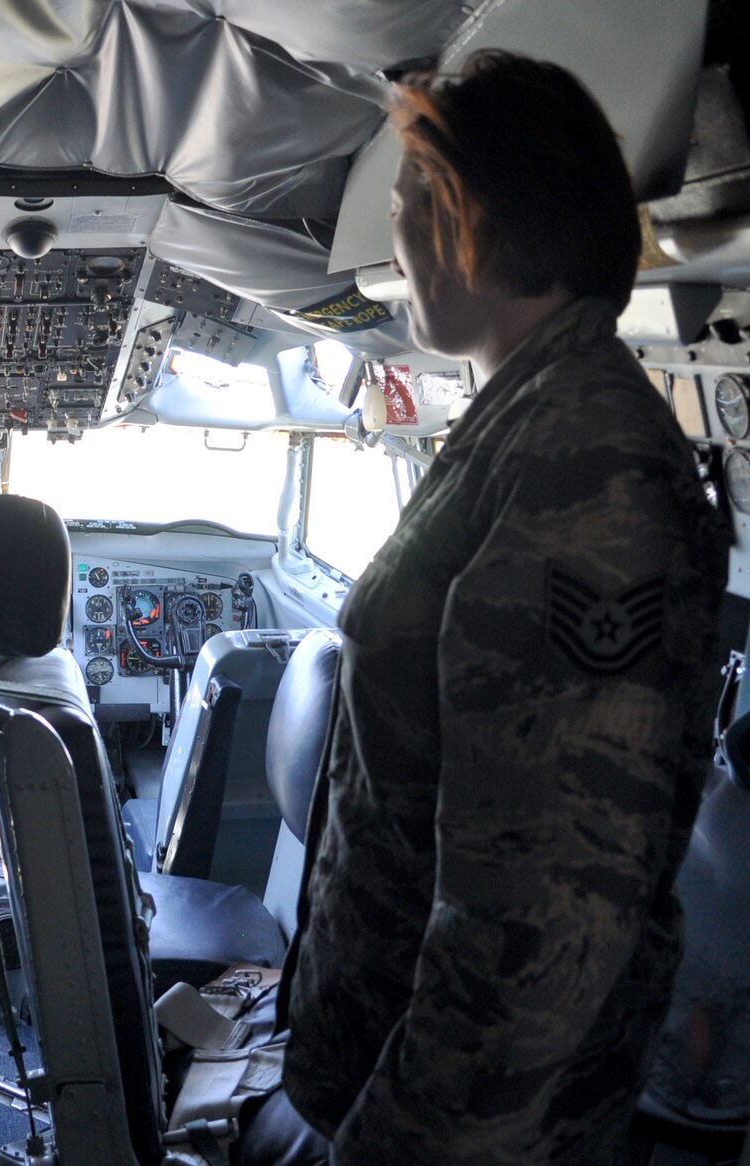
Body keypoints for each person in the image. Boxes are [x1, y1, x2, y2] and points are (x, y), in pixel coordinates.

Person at [278, 51, 733, 1166]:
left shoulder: (587, 464)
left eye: (402, 202)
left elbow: (539, 911)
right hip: (402, 1068)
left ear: (466, 212)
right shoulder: (527, 418)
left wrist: (400, 1146)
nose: (394, 244)